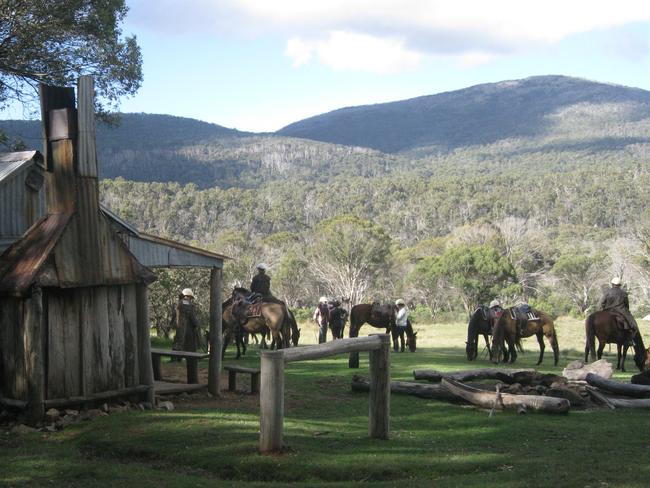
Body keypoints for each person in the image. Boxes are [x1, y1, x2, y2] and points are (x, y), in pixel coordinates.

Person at [599, 277, 638, 344]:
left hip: (608, 311)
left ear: (612, 284)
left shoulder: (607, 292)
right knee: (634, 325)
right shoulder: (624, 293)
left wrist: (601, 312)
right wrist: (627, 312)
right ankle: (630, 340)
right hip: (622, 311)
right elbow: (626, 305)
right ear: (620, 285)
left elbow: (602, 303)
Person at [174, 288, 200, 353]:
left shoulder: (179, 303)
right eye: (191, 298)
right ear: (189, 296)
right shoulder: (189, 304)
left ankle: (176, 358)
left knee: (178, 341)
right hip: (188, 327)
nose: (191, 299)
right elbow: (191, 315)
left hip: (179, 326)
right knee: (190, 345)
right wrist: (196, 324)